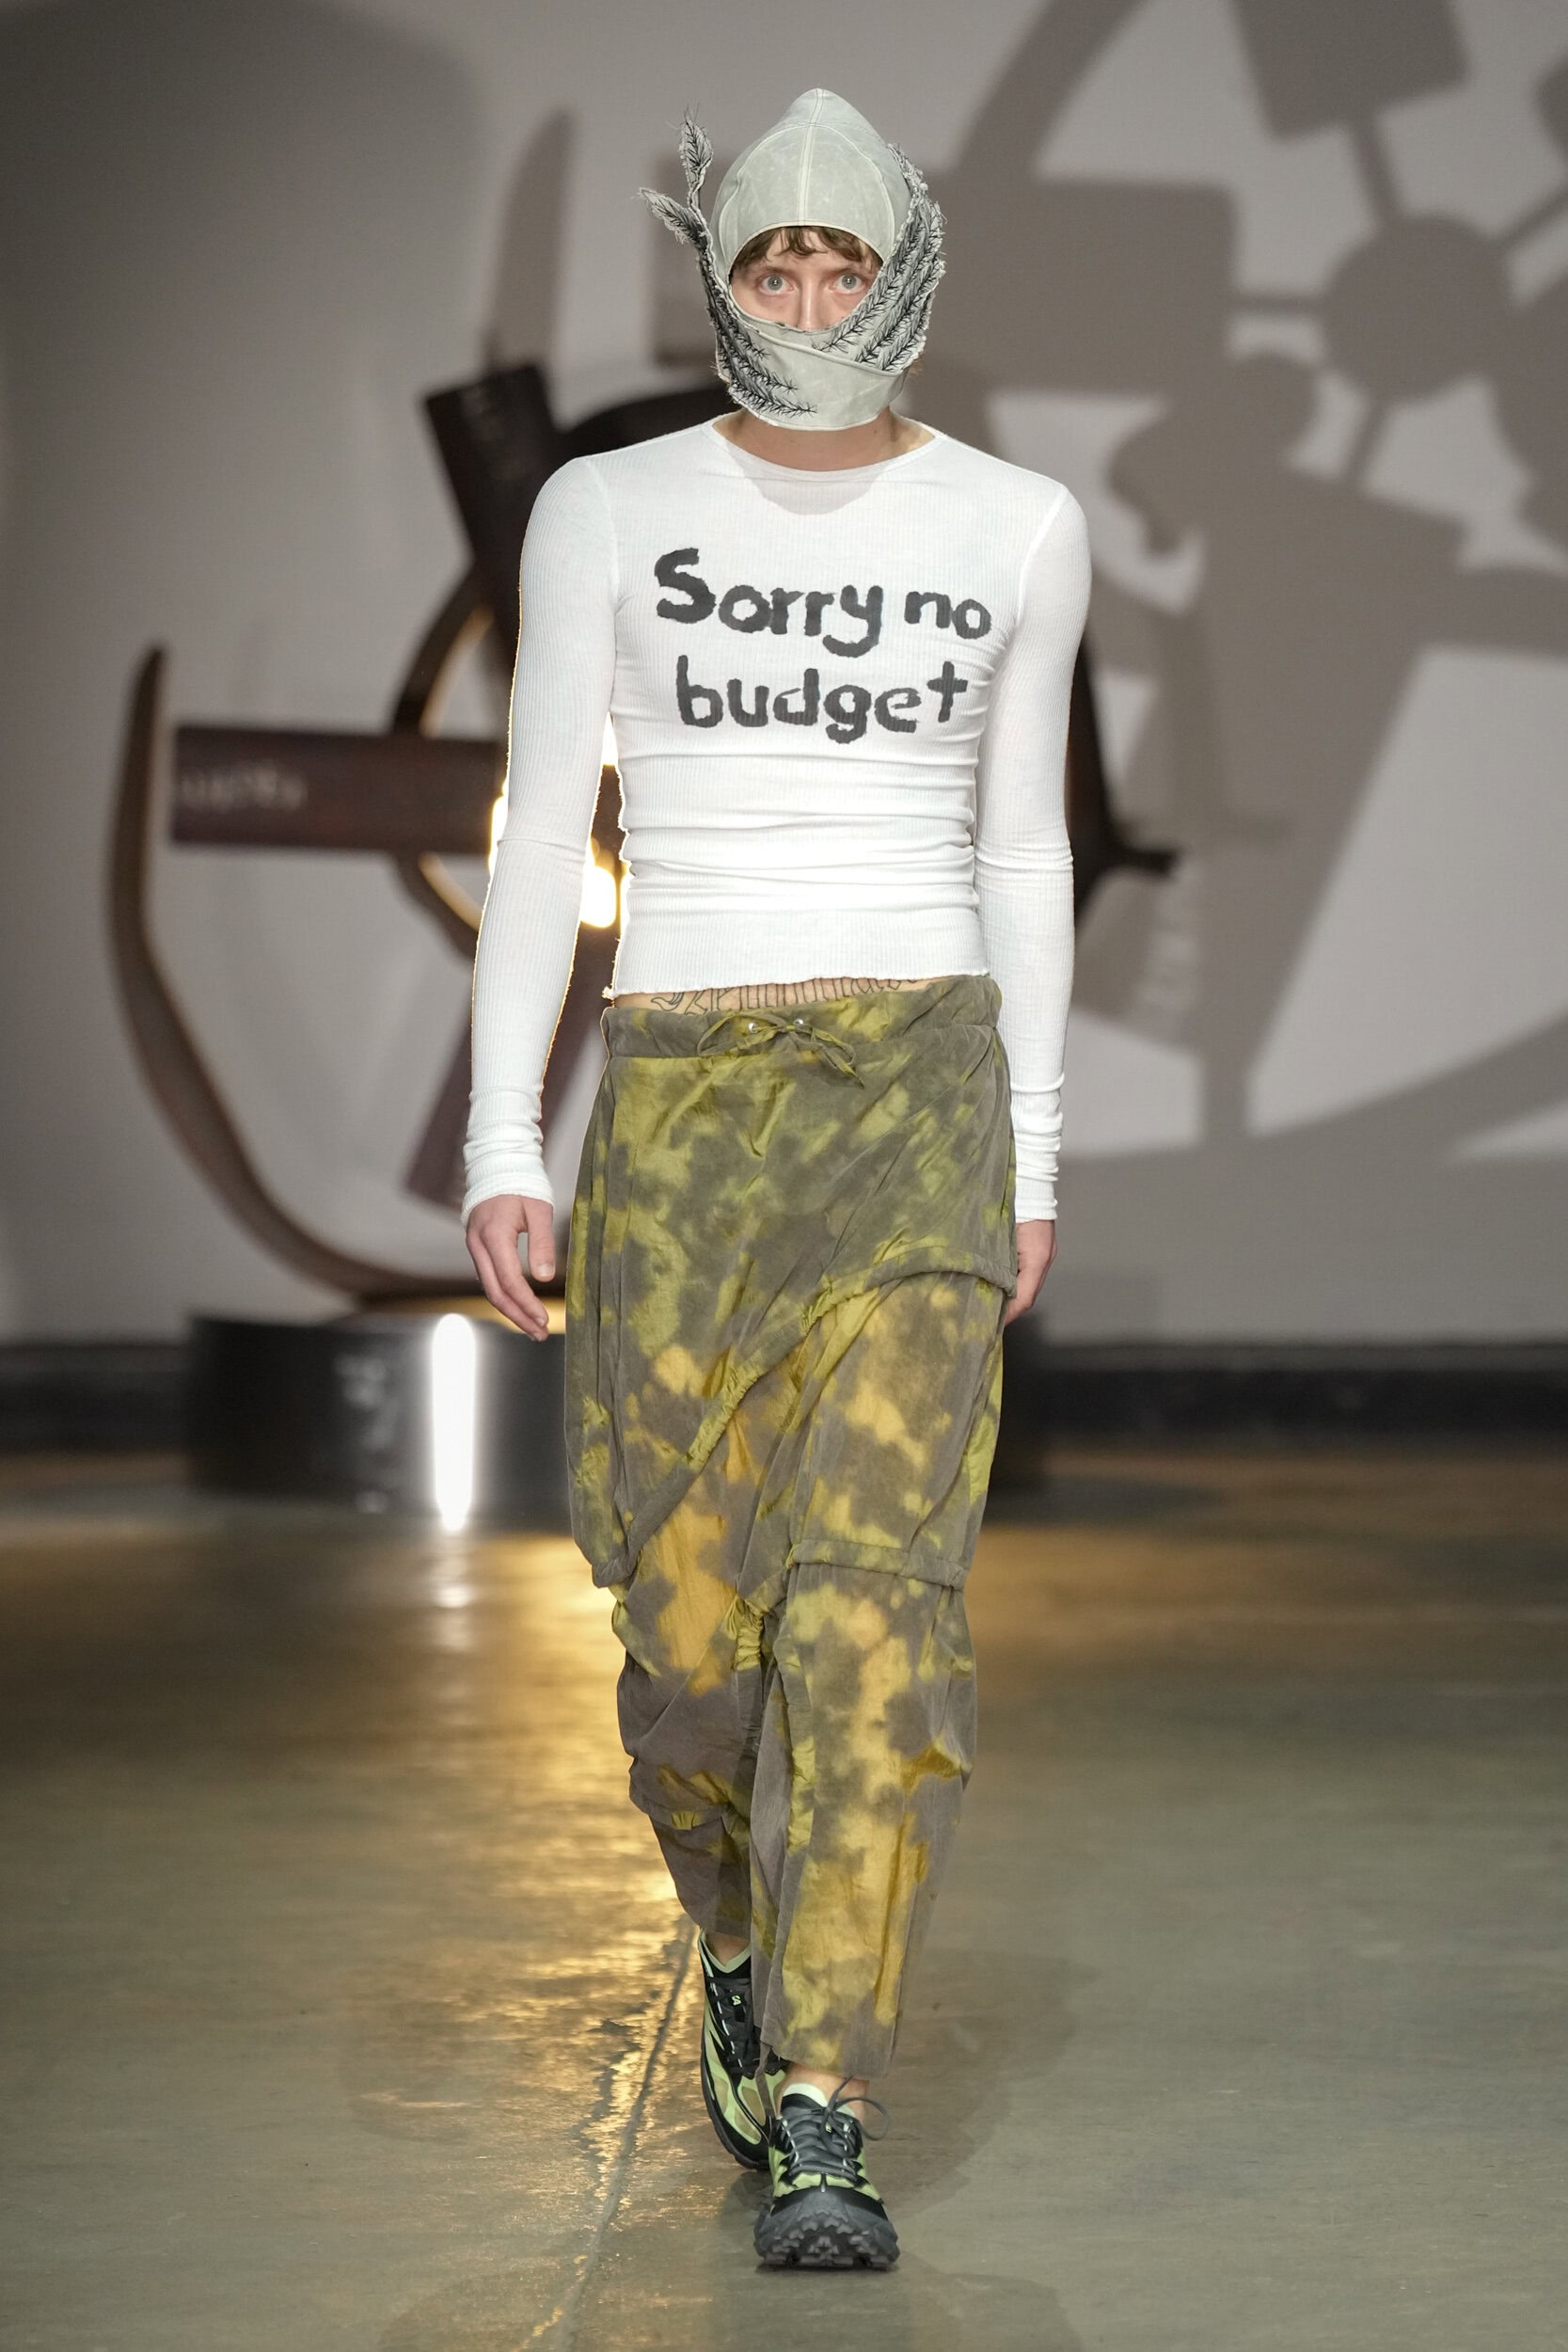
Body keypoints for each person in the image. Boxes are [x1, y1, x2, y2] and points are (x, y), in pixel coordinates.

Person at [463, 87, 1089, 2271]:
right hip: (686, 1108)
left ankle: (828, 2093)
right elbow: (541, 828)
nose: (810, 295)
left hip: (917, 1090)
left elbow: (1025, 845)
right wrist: (504, 1134)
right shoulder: (606, 508)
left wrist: (1030, 1146)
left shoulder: (1017, 521)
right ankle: (732, 1938)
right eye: (771, 260)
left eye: (843, 260)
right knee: (695, 1646)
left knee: (875, 1619)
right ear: (720, 278)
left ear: (905, 271)